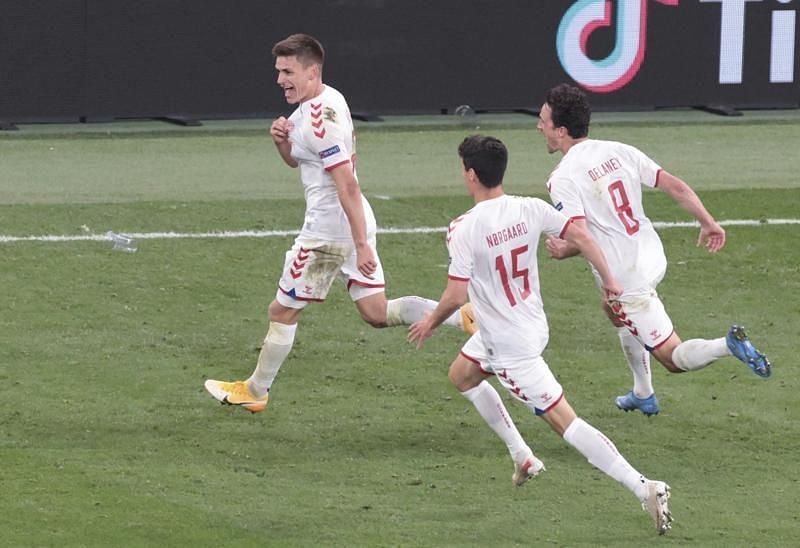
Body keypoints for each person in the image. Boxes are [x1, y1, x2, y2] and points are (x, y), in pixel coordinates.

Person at [409, 135, 673, 534]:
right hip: (532, 324)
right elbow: (583, 236)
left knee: (567, 423)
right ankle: (522, 455)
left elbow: (455, 294)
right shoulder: (530, 208)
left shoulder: (462, 228)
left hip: (510, 348)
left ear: (471, 174)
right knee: (462, 375)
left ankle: (643, 487)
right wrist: (610, 279)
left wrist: (430, 321)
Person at [204, 33, 472, 413]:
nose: (280, 79)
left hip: (329, 232)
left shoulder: (319, 121)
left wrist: (360, 244)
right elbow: (300, 161)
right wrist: (282, 142)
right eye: (278, 71)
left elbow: (345, 181)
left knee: (282, 312)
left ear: (312, 71)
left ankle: (256, 390)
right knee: (376, 313)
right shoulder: (328, 99)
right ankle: (466, 317)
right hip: (354, 218)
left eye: (288, 71)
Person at [536, 83, 771, 417]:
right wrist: (708, 221)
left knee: (673, 358)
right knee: (612, 309)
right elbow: (672, 184)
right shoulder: (620, 150)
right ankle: (642, 392)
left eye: (543, 121)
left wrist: (568, 250)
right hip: (651, 254)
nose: (538, 126)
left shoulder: (562, 178)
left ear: (560, 131)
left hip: (625, 275)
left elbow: (583, 235)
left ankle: (727, 345)